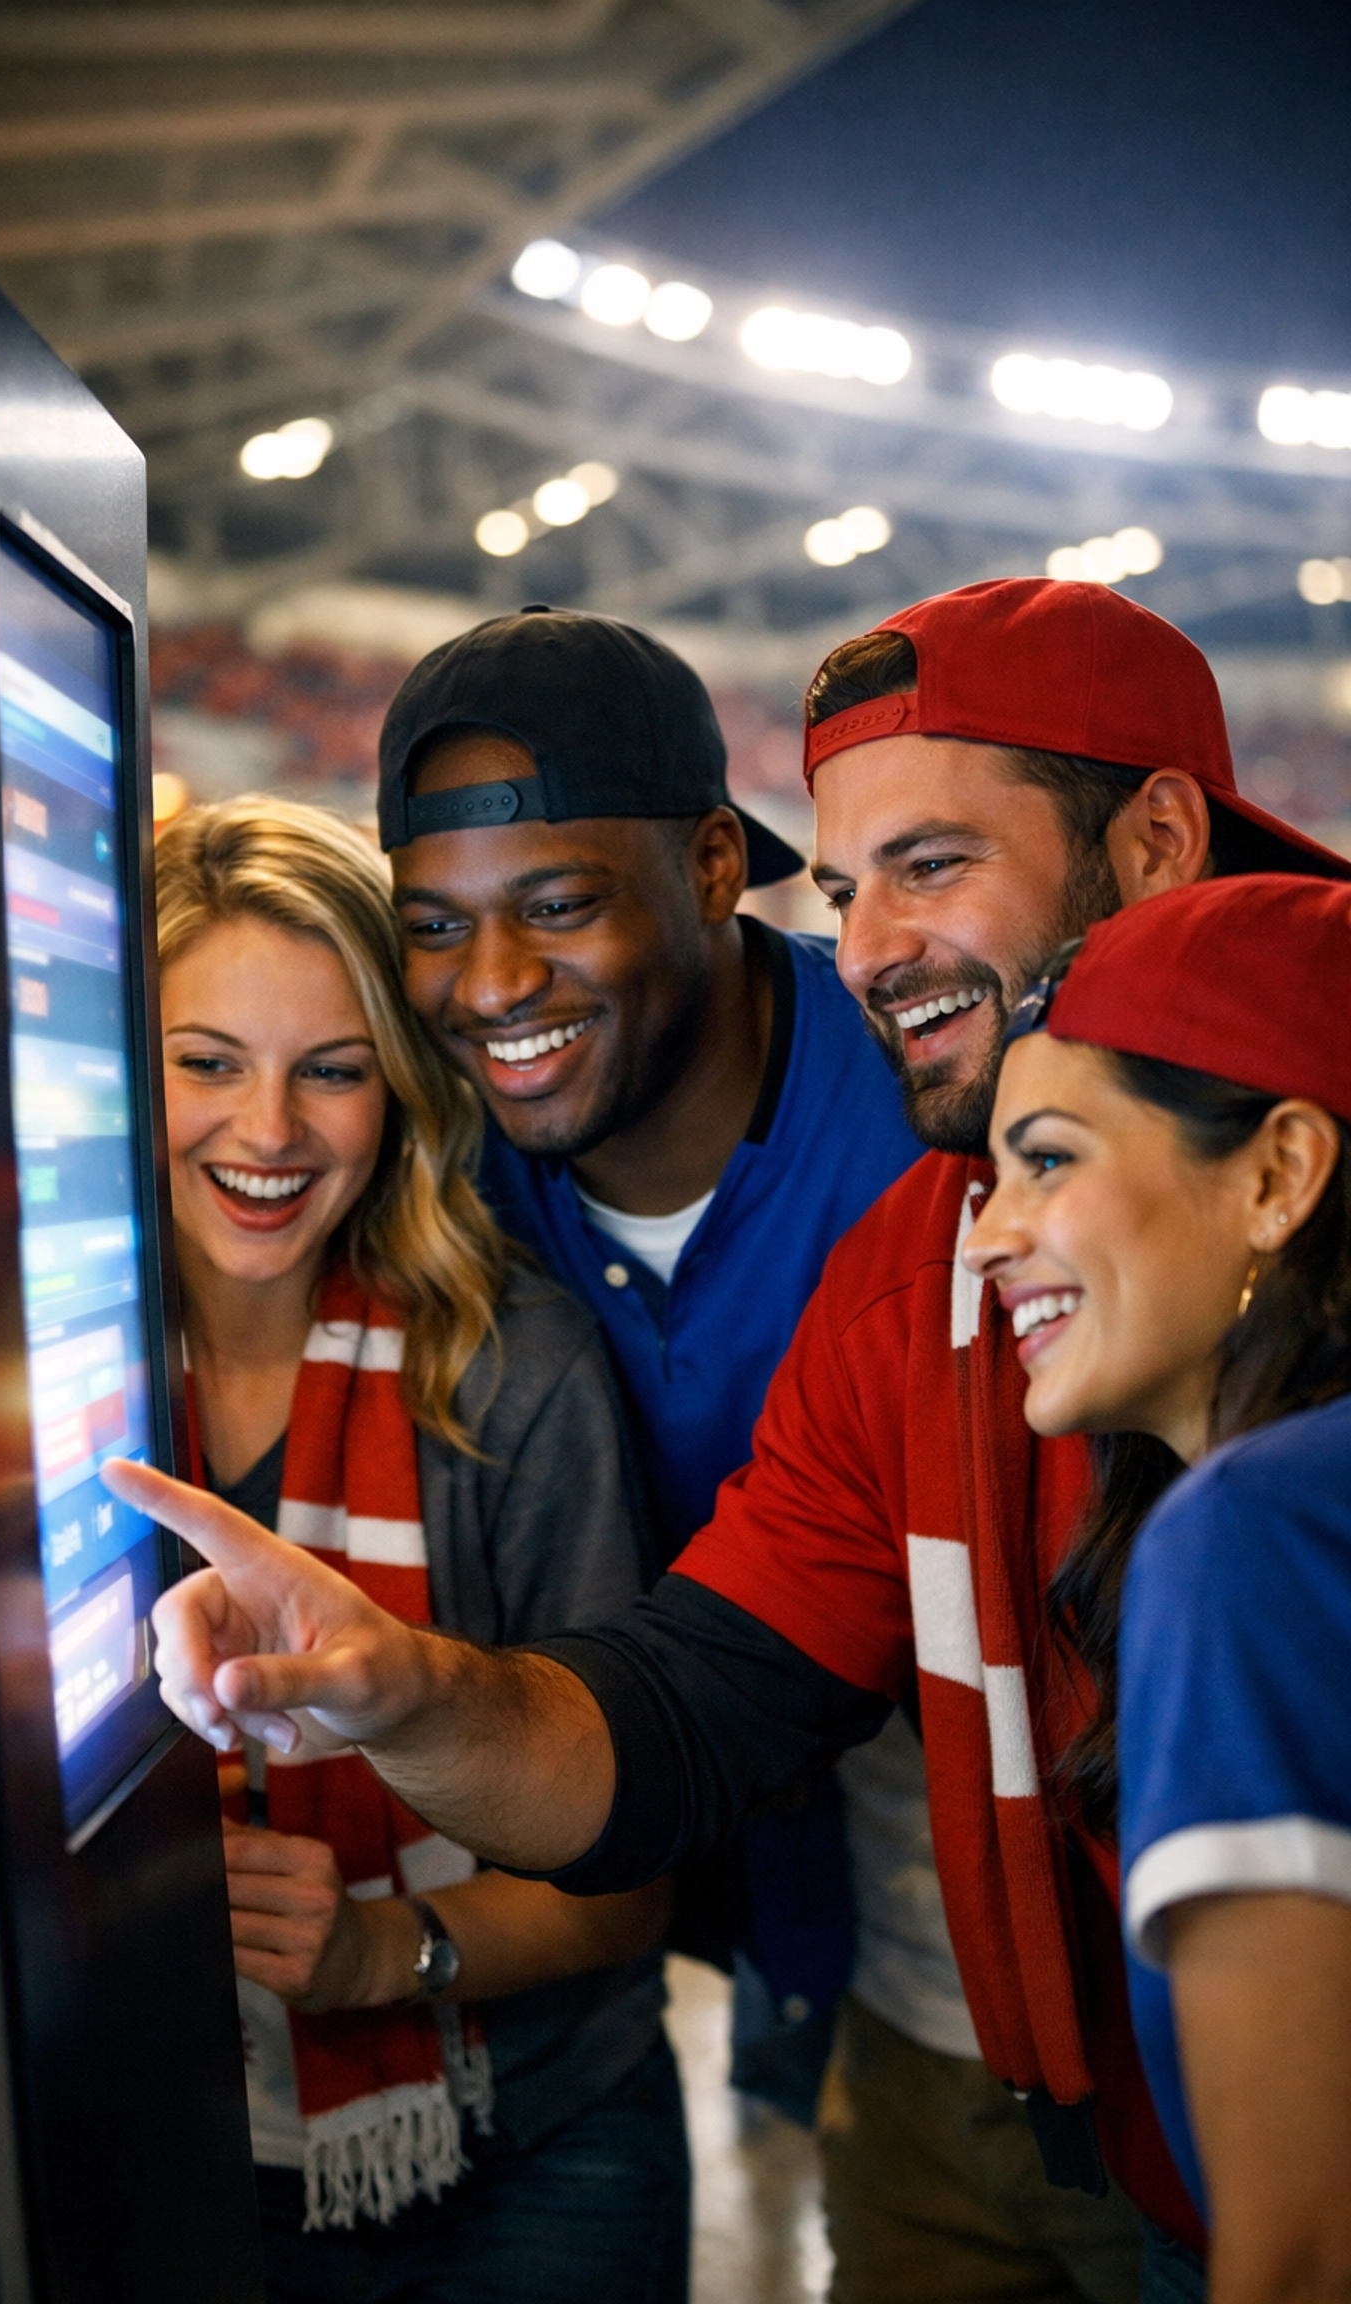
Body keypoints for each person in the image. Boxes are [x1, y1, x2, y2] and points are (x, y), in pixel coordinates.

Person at [111, 579, 1350, 2303]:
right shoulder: (911, 1262)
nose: (872, 950)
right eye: (845, 891)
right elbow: (689, 1702)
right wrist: (406, 1691)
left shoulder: (1236, 1494)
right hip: (961, 2033)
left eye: (931, 867)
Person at [378, 601, 967, 2172]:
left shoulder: (934, 1109)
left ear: (713, 866)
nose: (493, 984)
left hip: (988, 1892)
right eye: (435, 925)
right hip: (671, 1868)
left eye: (559, 904)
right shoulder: (429, 1171)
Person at [152, 795, 687, 2304]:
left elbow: (630, 1875)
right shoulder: (27, 1377)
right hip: (163, 2140)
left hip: (535, 2147)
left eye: (333, 1070)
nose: (269, 1131)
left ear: (398, 1088)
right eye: (207, 1062)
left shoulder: (520, 1371)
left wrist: (379, 1954)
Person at [961, 875, 1351, 2304]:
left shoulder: (1253, 1535)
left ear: (1278, 1174)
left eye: (1049, 1162)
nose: (987, 1234)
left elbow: (1301, 2253)